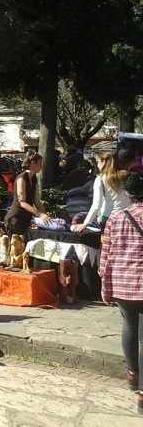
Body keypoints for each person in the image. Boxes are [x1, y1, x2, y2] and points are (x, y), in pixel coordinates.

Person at [99, 172, 143, 415]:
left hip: (124, 285)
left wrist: (105, 287)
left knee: (129, 327)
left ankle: (133, 374)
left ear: (127, 195)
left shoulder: (116, 218)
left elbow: (106, 256)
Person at [73, 152, 130, 233]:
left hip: (108, 216)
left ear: (104, 162)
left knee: (106, 242)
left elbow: (96, 204)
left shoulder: (100, 180)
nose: (97, 165)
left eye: (98, 162)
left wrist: (85, 223)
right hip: (127, 215)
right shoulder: (125, 175)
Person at [4, 151, 51, 236]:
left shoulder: (34, 179)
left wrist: (46, 216)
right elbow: (22, 202)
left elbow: (36, 201)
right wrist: (39, 214)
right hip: (15, 218)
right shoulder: (21, 178)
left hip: (26, 218)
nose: (41, 166)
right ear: (33, 163)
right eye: (40, 164)